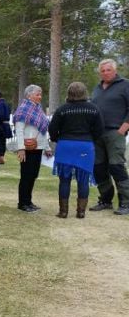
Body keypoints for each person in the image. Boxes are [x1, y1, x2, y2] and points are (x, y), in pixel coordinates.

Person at [48, 81, 105, 218]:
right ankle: (81, 212)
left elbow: (52, 129)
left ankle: (63, 211)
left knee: (64, 179)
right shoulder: (93, 109)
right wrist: (90, 139)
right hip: (85, 145)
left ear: (69, 93)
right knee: (83, 179)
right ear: (85, 92)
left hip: (65, 145)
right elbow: (100, 130)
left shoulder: (62, 109)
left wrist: (58, 139)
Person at [89, 59, 129, 215]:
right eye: (103, 70)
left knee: (116, 167)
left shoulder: (125, 84)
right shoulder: (97, 88)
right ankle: (105, 200)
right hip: (97, 134)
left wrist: (124, 127)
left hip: (115, 132)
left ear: (115, 70)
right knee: (98, 168)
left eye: (108, 70)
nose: (105, 72)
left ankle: (126, 202)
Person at [13, 85, 52, 212]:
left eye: (40, 94)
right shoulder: (23, 109)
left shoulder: (39, 109)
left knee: (33, 175)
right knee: (26, 175)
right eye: (37, 94)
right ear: (29, 95)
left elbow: (43, 131)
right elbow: (19, 130)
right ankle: (22, 203)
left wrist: (47, 147)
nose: (40, 97)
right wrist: (21, 148)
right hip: (27, 148)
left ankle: (28, 201)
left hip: (38, 147)